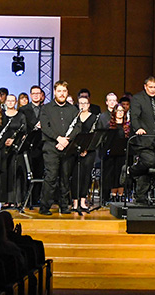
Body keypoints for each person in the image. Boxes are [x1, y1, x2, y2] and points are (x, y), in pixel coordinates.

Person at [39, 81, 79, 214]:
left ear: (67, 93)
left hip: (67, 147)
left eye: (64, 91)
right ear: (55, 92)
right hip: (51, 147)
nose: (62, 94)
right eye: (59, 91)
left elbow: (78, 127)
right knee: (51, 177)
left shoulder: (73, 109)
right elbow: (45, 127)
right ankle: (45, 207)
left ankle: (64, 205)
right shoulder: (46, 108)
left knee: (65, 178)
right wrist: (58, 138)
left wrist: (67, 140)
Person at [128, 77, 155, 204]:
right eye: (150, 87)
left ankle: (141, 196)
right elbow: (134, 117)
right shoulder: (137, 98)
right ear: (145, 86)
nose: (153, 90)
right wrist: (138, 128)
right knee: (150, 162)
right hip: (142, 140)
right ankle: (131, 170)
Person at [69, 96, 98, 214]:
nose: (83, 105)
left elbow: (95, 136)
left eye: (85, 103)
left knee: (86, 175)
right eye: (80, 103)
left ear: (89, 105)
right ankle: (75, 202)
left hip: (89, 151)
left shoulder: (94, 118)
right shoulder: (75, 118)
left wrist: (87, 149)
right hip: (75, 150)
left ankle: (82, 201)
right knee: (76, 175)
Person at [0, 94, 27, 210]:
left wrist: (14, 140)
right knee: (5, 174)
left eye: (13, 101)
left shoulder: (21, 116)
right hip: (4, 149)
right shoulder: (1, 116)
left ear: (16, 102)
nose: (10, 103)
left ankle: (17, 200)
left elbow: (24, 132)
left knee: (16, 173)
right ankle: (6, 200)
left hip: (17, 149)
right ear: (5, 102)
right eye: (8, 101)